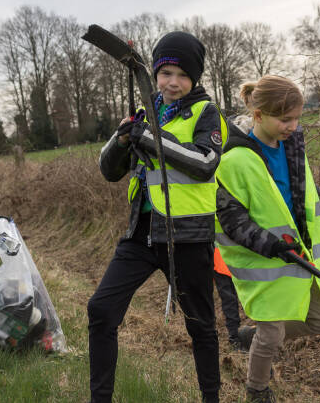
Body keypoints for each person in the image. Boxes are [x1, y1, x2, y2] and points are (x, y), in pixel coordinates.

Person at [88, 31, 227, 403]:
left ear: (194, 78)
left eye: (183, 75)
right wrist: (121, 140)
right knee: (100, 309)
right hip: (142, 234)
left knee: (200, 326)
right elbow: (108, 171)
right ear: (155, 73)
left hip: (189, 236)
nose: (174, 82)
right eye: (166, 73)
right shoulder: (142, 112)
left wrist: (149, 137)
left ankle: (210, 397)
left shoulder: (207, 113)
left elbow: (205, 163)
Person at [214, 75, 320, 403]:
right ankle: (257, 390)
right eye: (285, 119)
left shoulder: (291, 144)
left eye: (296, 118)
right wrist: (270, 245)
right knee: (273, 332)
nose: (292, 125)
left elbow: (295, 185)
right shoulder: (234, 158)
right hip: (262, 258)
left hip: (296, 250)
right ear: (259, 116)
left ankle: (253, 336)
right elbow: (231, 218)